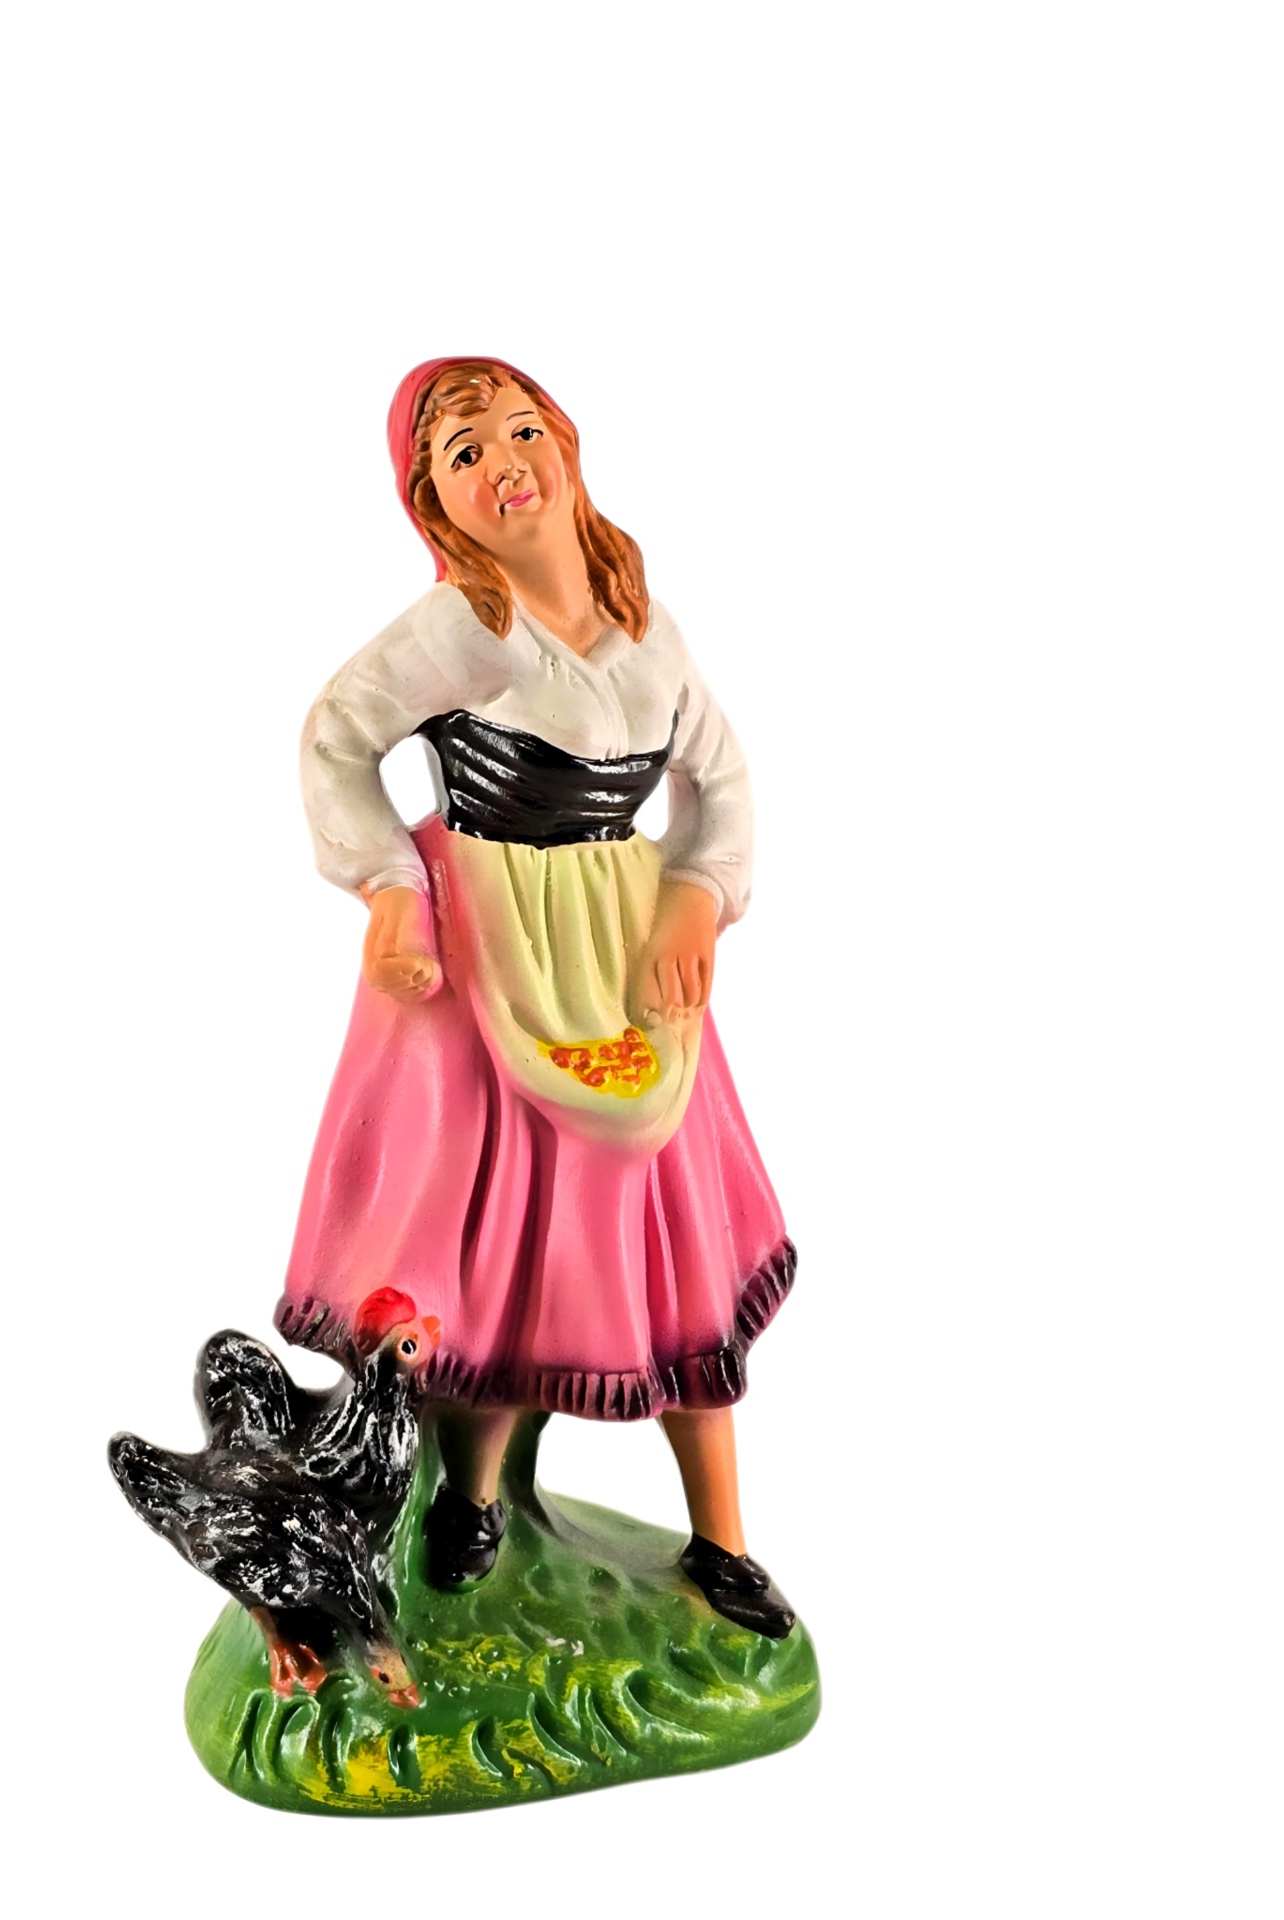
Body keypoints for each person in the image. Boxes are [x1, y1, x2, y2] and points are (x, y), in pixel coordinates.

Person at [279, 358, 795, 1636]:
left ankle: (722, 1533)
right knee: (503, 1232)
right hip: (491, 946)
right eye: (464, 452)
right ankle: (472, 1493)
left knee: (671, 1229)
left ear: (564, 444)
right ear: (433, 501)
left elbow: (722, 778)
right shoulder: (459, 630)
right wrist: (391, 886)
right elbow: (337, 738)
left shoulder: (645, 624)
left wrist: (697, 892)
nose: (504, 464)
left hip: (622, 948)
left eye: (520, 431)